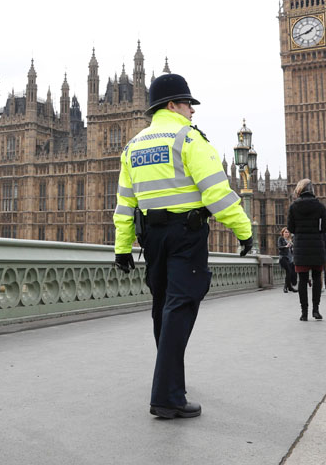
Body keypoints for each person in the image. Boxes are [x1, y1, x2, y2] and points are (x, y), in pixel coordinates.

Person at [112, 73, 252, 420]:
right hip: (185, 235)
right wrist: (244, 231)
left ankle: (172, 381)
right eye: (188, 104)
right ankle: (167, 396)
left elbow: (124, 203)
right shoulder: (188, 139)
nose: (192, 111)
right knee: (181, 305)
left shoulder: (133, 146)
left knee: (163, 307)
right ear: (173, 105)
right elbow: (217, 192)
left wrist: (122, 246)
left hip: (151, 239)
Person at [287, 179, 326, 321]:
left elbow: (291, 228)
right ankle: (316, 310)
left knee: (302, 280)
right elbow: (325, 228)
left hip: (300, 247)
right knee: (317, 279)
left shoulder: (293, 207)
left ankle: (304, 313)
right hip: (317, 246)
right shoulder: (320, 207)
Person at [277, 227, 296, 293]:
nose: (287, 233)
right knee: (289, 271)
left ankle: (289, 287)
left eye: (288, 232)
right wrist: (286, 246)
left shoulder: (290, 240)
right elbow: (279, 247)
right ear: (282, 233)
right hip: (283, 258)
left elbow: (292, 250)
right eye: (285, 232)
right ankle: (286, 287)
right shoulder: (281, 239)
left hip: (290, 259)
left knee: (290, 272)